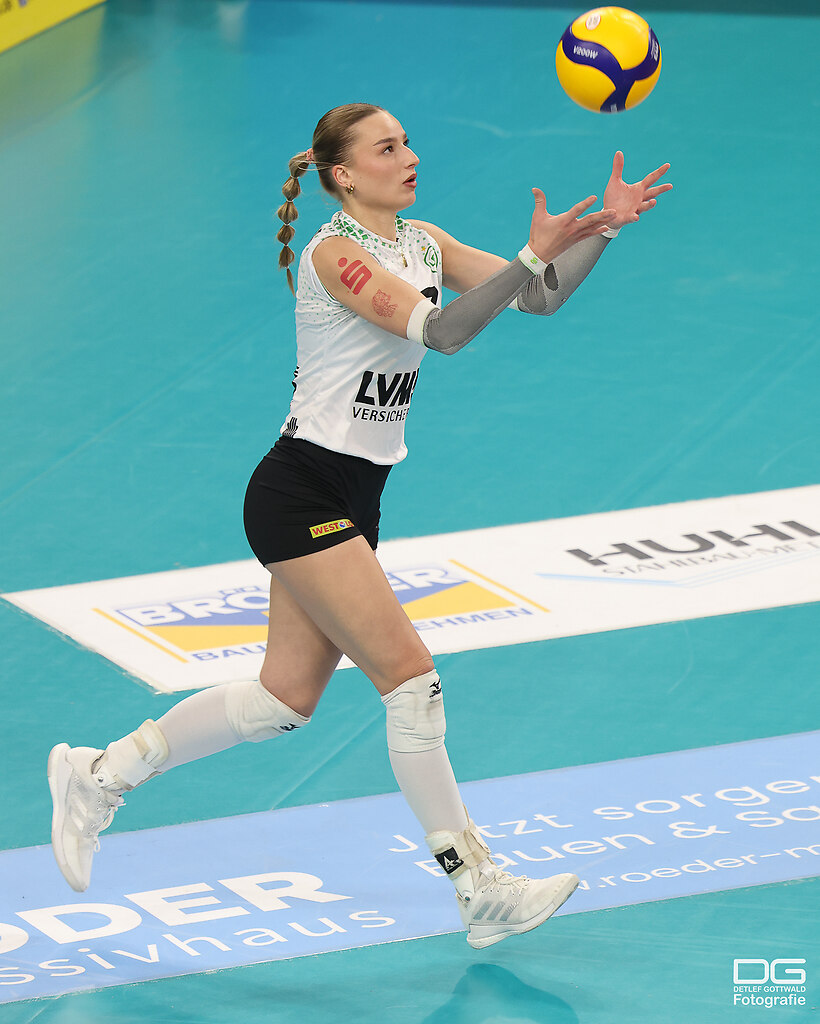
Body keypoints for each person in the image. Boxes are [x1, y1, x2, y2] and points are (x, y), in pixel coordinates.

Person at [48, 102, 671, 950]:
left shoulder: (423, 242)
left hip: (355, 494)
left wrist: (603, 231)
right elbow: (446, 331)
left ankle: (98, 774)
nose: (408, 155)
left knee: (281, 701)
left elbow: (541, 297)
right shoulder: (335, 255)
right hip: (301, 491)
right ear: (343, 175)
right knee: (411, 684)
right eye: (386, 147)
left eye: (407, 141)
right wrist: (532, 253)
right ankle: (477, 885)